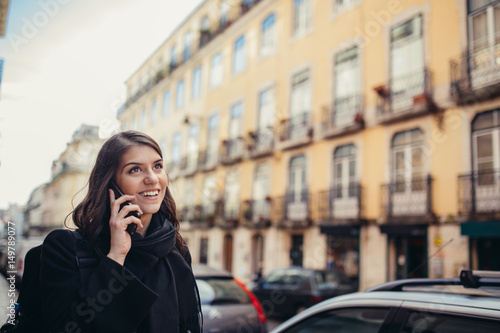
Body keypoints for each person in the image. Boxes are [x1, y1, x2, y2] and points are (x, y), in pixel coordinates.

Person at [39, 131, 202, 333]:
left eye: (157, 166)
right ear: (110, 183)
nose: (152, 178)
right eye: (135, 170)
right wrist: (116, 257)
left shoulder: (176, 249)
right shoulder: (64, 247)